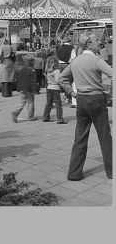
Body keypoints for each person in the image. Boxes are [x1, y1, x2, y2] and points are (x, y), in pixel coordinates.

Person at [59, 33, 112, 181]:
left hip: (81, 100)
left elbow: (62, 78)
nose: (99, 42)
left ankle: (74, 173)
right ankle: (111, 171)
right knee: (104, 136)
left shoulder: (75, 61)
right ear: (89, 44)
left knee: (80, 137)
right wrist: (108, 93)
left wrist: (71, 92)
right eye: (96, 40)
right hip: (96, 99)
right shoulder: (96, 60)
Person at [11, 54, 38, 122]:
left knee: (22, 101)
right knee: (30, 101)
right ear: (31, 62)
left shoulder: (22, 69)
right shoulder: (32, 70)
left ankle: (16, 112)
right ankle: (30, 116)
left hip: (22, 88)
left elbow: (19, 79)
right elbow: (33, 81)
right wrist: (35, 90)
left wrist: (18, 88)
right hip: (29, 88)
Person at [42, 55, 66, 124]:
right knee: (58, 104)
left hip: (49, 87)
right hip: (55, 88)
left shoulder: (48, 71)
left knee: (49, 103)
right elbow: (57, 80)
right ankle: (60, 119)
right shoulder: (57, 71)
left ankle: (45, 117)